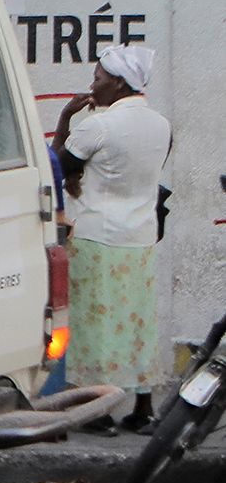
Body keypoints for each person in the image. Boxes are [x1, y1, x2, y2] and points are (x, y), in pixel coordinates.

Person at [55, 45, 172, 432]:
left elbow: (59, 165)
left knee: (96, 324)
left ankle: (98, 410)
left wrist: (66, 117)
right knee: (138, 322)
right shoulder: (161, 125)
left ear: (119, 83)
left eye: (99, 79)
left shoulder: (98, 126)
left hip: (97, 236)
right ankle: (143, 409)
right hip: (140, 238)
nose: (93, 85)